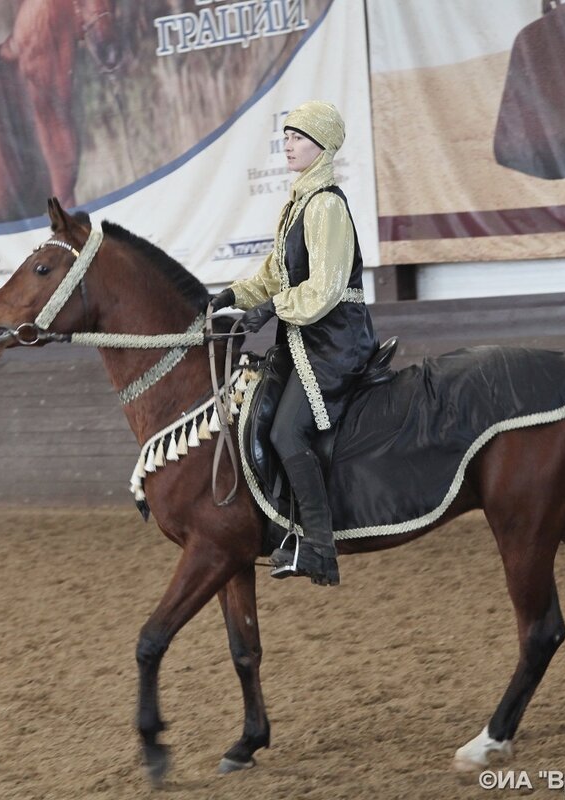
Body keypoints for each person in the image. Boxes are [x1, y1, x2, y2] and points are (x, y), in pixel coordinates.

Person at [209, 100, 376, 586]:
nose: (287, 145)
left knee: (286, 432)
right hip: (303, 340)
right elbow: (274, 275)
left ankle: (320, 547)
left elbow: (323, 289)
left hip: (335, 342)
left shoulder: (326, 205)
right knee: (258, 414)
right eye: (285, 136)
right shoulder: (297, 204)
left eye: (297, 137)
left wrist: (270, 309)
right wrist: (233, 295)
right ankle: (283, 526)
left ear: (321, 146)